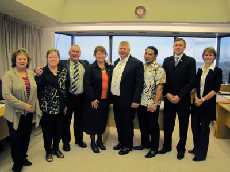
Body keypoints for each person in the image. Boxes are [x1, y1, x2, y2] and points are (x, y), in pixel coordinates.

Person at [35, 45, 89, 151]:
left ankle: (79, 140)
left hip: (81, 97)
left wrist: (108, 65)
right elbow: (48, 67)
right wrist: (36, 69)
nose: (75, 53)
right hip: (68, 97)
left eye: (77, 51)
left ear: (80, 53)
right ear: (69, 53)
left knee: (79, 121)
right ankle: (66, 142)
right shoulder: (62, 63)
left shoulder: (85, 63)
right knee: (66, 122)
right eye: (73, 51)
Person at [2, 49, 41, 172]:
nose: (22, 61)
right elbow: (7, 95)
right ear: (15, 60)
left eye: (24, 59)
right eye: (20, 59)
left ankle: (23, 157)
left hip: (28, 113)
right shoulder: (8, 75)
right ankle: (17, 163)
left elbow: (34, 90)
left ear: (27, 61)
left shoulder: (30, 73)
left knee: (25, 137)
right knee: (15, 139)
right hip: (14, 114)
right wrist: (24, 106)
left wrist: (33, 106)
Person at [159, 38, 196, 160]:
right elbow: (163, 80)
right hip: (169, 99)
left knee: (183, 126)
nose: (178, 47)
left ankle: (181, 148)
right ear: (173, 47)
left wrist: (179, 96)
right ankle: (167, 146)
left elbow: (191, 82)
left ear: (184, 47)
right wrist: (168, 94)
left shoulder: (190, 61)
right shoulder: (167, 60)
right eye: (176, 45)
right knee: (168, 125)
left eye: (180, 45)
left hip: (183, 100)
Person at [111, 41, 144, 155]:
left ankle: (127, 145)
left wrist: (136, 100)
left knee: (127, 123)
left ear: (129, 50)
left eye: (124, 48)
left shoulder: (136, 63)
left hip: (128, 99)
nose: (122, 50)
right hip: (116, 98)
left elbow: (139, 84)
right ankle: (121, 142)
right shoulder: (116, 62)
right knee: (118, 121)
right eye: (120, 48)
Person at [190, 47, 222, 161]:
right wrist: (196, 98)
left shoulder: (217, 71)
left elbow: (215, 90)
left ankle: (201, 154)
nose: (208, 57)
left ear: (214, 57)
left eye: (210, 55)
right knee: (194, 127)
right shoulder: (200, 69)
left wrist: (202, 99)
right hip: (196, 104)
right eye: (206, 55)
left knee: (204, 129)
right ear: (203, 56)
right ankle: (196, 148)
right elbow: (195, 86)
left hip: (207, 105)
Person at [36, 49, 68, 162]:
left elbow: (65, 89)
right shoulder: (41, 72)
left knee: (59, 130)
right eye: (50, 57)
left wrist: (65, 105)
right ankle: (48, 151)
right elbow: (38, 89)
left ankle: (56, 148)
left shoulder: (63, 71)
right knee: (47, 131)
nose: (53, 59)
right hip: (47, 107)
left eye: (55, 56)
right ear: (47, 58)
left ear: (59, 58)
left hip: (60, 107)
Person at [133, 46, 166, 158]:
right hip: (141, 102)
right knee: (143, 125)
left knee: (153, 126)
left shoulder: (159, 69)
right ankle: (144, 144)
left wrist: (155, 103)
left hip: (151, 103)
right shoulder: (141, 67)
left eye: (150, 54)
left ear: (155, 56)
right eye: (146, 53)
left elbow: (160, 88)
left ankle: (154, 148)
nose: (147, 56)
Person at [83, 46, 113, 153]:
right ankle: (93, 142)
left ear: (106, 55)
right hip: (94, 100)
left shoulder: (109, 68)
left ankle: (100, 141)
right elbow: (87, 84)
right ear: (95, 55)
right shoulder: (90, 68)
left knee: (102, 121)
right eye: (98, 53)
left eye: (102, 53)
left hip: (105, 100)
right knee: (93, 121)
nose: (100, 55)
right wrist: (92, 98)